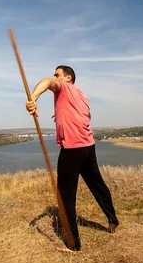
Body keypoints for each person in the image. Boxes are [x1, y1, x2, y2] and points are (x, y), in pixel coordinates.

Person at [26, 65, 119, 251]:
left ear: (68, 78)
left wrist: (33, 98)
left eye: (58, 74)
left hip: (72, 148)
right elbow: (87, 116)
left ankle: (73, 244)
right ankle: (113, 220)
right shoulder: (82, 95)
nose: (55, 77)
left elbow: (47, 81)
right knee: (97, 184)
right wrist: (61, 114)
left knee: (65, 196)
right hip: (88, 146)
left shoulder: (63, 87)